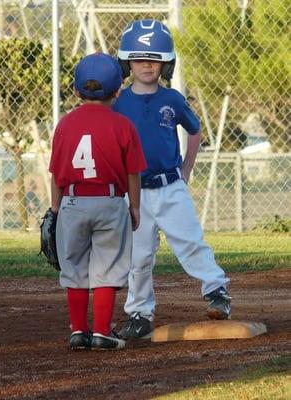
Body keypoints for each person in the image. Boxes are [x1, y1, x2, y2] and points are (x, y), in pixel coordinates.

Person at [114, 19, 231, 340]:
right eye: (139, 59)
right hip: (135, 192)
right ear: (128, 63)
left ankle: (217, 291)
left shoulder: (173, 99)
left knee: (190, 241)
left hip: (170, 187)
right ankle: (139, 313)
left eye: (154, 59)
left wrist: (187, 169)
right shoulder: (118, 102)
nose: (147, 65)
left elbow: (194, 131)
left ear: (165, 63)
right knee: (138, 256)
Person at [49, 53, 147, 350]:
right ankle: (103, 331)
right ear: (118, 90)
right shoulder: (123, 125)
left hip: (73, 201)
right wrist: (134, 206)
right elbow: (133, 173)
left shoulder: (64, 125)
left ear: (77, 91)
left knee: (75, 267)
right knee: (108, 265)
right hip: (110, 200)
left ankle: (78, 331)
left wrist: (56, 210)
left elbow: (56, 174)